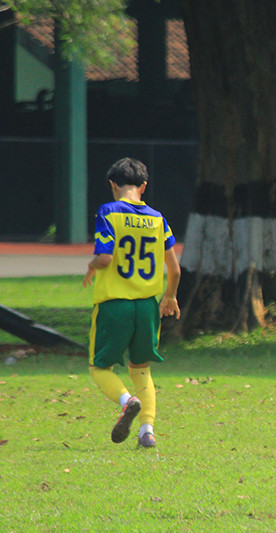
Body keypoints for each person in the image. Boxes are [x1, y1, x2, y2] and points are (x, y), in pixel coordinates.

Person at [83, 157, 181, 449]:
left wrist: (91, 265)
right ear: (144, 187)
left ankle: (127, 402)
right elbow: (174, 269)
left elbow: (105, 258)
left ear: (113, 185)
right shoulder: (157, 218)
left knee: (99, 367)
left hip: (115, 304)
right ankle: (147, 432)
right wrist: (170, 296)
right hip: (147, 306)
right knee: (141, 370)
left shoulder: (108, 212)